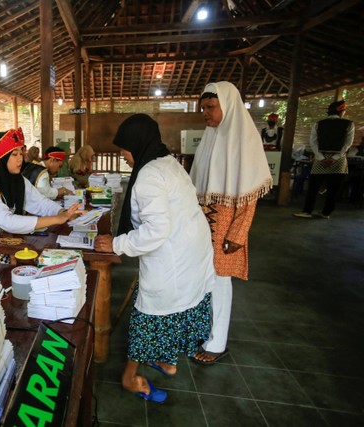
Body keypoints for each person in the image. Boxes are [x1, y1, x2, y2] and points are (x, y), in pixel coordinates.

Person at [95, 114, 215, 400]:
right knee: (177, 312)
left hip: (173, 259)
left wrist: (116, 243)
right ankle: (167, 363)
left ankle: (129, 378)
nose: (122, 156)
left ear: (137, 145)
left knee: (149, 317)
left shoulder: (148, 175)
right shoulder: (169, 163)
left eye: (123, 149)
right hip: (191, 253)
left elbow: (155, 232)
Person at [190, 81, 272, 364]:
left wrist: (239, 231)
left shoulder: (244, 139)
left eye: (211, 107)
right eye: (203, 107)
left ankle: (217, 343)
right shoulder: (211, 136)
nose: (206, 113)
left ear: (228, 105)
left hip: (226, 222)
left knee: (220, 284)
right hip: (203, 220)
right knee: (202, 280)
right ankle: (203, 333)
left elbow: (249, 194)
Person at [0, 128, 83, 261]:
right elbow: (7, 221)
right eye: (14, 154)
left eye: (21, 153)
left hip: (11, 242)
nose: (20, 158)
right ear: (0, 158)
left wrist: (63, 211)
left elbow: (39, 202)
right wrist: (57, 219)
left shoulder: (17, 179)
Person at [294, 100, 354, 219]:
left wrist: (320, 157)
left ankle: (307, 211)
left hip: (320, 157)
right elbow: (348, 143)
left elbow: (313, 142)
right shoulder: (348, 124)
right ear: (341, 111)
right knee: (333, 189)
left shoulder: (319, 124)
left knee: (313, 187)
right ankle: (326, 212)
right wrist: (335, 157)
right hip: (338, 160)